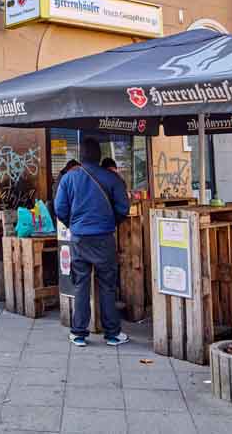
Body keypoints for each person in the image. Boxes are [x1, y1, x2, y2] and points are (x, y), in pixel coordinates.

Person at [55, 138, 130, 347]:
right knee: (107, 286)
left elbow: (60, 208)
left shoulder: (69, 178)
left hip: (79, 238)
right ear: (99, 155)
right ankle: (112, 334)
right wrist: (109, 222)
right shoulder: (112, 178)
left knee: (81, 284)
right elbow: (124, 208)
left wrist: (74, 225)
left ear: (81, 156)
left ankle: (79, 333)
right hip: (104, 237)